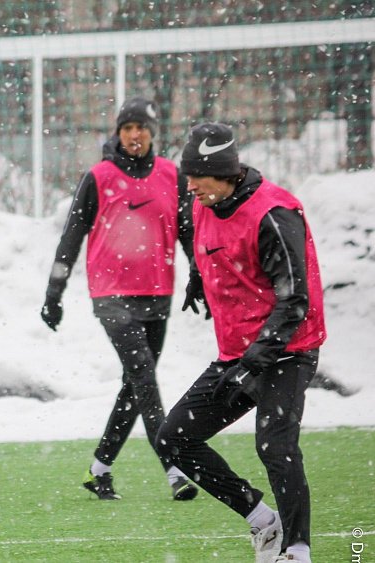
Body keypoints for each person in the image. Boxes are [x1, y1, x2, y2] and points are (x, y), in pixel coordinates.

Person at [156, 123, 325, 563]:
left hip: (288, 350)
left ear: (226, 172)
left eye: (198, 175)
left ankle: (297, 550)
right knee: (173, 439)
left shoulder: (274, 214)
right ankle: (263, 521)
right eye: (188, 175)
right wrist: (198, 278)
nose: (190, 186)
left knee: (275, 446)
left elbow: (295, 300)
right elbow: (206, 244)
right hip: (238, 353)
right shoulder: (205, 202)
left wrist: (253, 363)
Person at [40, 96, 199, 501]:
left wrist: (199, 276)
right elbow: (71, 237)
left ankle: (100, 469)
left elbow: (188, 230)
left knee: (135, 385)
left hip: (158, 292)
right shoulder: (99, 177)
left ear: (152, 132)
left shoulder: (172, 175)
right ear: (118, 132)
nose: (135, 134)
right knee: (144, 378)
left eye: (141, 127)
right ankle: (174, 468)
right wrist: (54, 294)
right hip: (111, 295)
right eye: (128, 128)